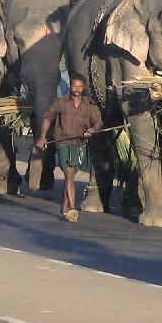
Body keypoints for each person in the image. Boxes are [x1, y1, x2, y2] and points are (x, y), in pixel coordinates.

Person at [37, 74, 102, 222]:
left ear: (83, 87)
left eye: (80, 86)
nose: (77, 89)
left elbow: (98, 122)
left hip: (80, 144)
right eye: (74, 86)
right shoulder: (60, 103)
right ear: (70, 86)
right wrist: (43, 136)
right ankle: (72, 208)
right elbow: (48, 118)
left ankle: (63, 208)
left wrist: (92, 130)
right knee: (69, 175)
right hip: (63, 143)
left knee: (71, 176)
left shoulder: (90, 105)